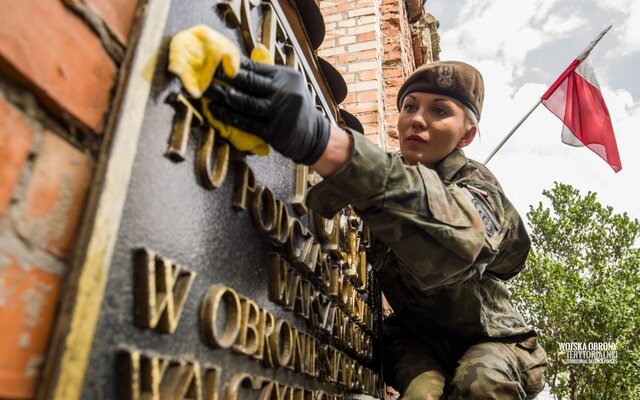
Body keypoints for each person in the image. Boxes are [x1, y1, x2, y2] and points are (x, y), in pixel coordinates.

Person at [204, 58, 548, 399]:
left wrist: (329, 144)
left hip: (490, 340)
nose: (417, 119)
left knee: (482, 382)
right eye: (409, 106)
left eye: (440, 111)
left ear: (467, 134)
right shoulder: (382, 169)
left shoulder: (477, 184)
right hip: (415, 339)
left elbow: (462, 240)